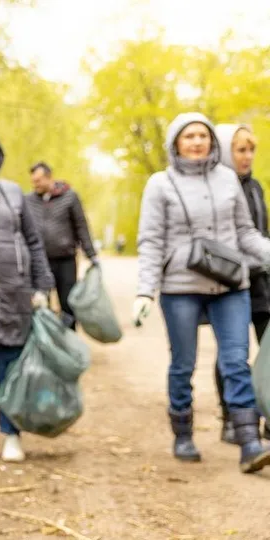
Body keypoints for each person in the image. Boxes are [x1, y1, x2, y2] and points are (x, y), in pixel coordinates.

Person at [133, 112, 270, 473]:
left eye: (203, 135)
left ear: (212, 141)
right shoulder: (160, 184)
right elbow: (150, 241)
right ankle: (183, 433)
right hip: (180, 288)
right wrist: (145, 291)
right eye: (189, 136)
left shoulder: (227, 179)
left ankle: (249, 442)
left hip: (230, 286)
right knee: (183, 364)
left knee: (236, 361)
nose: (197, 141)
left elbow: (246, 232)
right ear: (176, 143)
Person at [0, 131, 55, 462]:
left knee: (12, 368)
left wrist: (42, 286)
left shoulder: (15, 193)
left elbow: (33, 241)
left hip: (14, 294)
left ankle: (13, 434)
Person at [214, 123, 270, 443]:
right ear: (225, 151)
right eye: (240, 150)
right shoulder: (218, 188)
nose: (247, 157)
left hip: (261, 279)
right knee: (232, 353)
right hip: (232, 280)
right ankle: (232, 418)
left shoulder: (256, 187)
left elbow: (259, 233)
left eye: (251, 150)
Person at [25, 161, 98, 328]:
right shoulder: (28, 200)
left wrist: (91, 254)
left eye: (38, 181)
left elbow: (81, 226)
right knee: (41, 304)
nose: (35, 185)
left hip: (65, 260)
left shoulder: (70, 196)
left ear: (49, 178)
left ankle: (70, 340)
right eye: (33, 181)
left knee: (67, 303)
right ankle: (49, 345)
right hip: (39, 261)